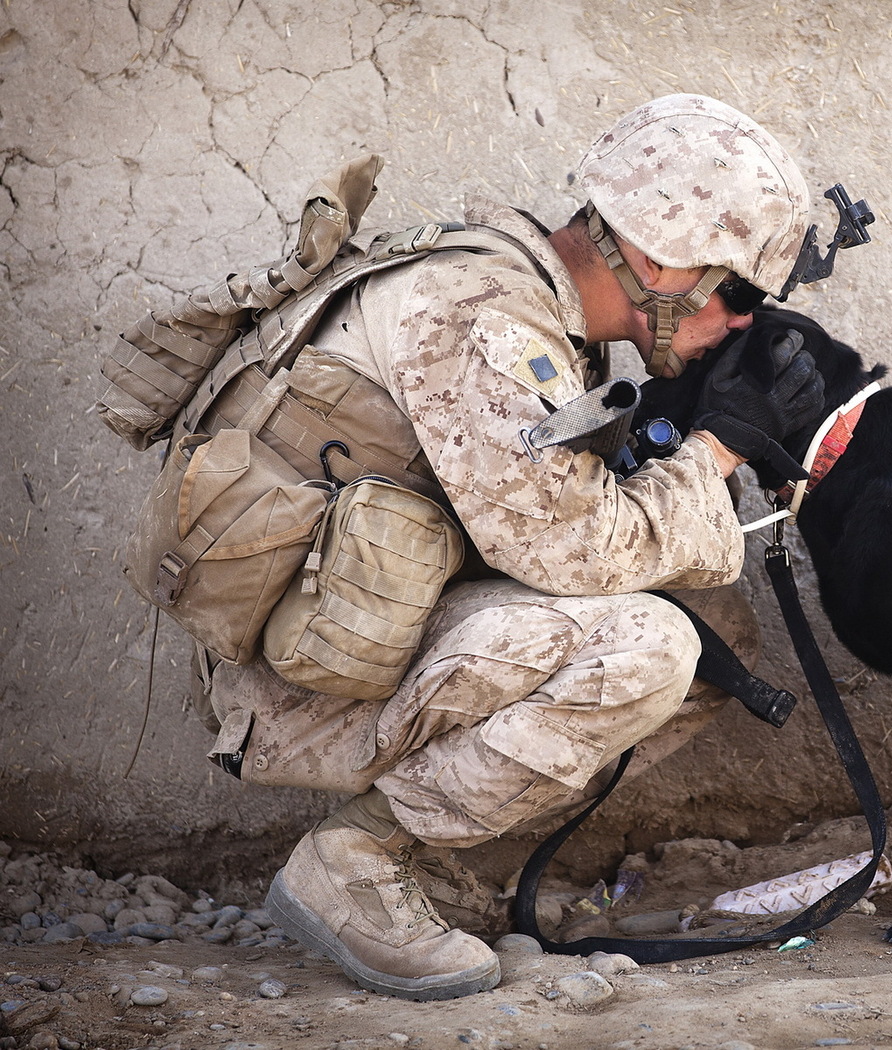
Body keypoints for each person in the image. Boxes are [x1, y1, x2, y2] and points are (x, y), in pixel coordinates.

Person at [205, 94, 842, 1000]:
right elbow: (575, 550)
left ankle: (415, 852)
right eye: (737, 293)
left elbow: (552, 515)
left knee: (717, 643)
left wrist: (679, 438)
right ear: (659, 259)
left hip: (360, 627)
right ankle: (358, 858)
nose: (742, 322)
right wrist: (715, 450)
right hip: (295, 685)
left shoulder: (527, 298)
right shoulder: (483, 321)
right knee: (655, 648)